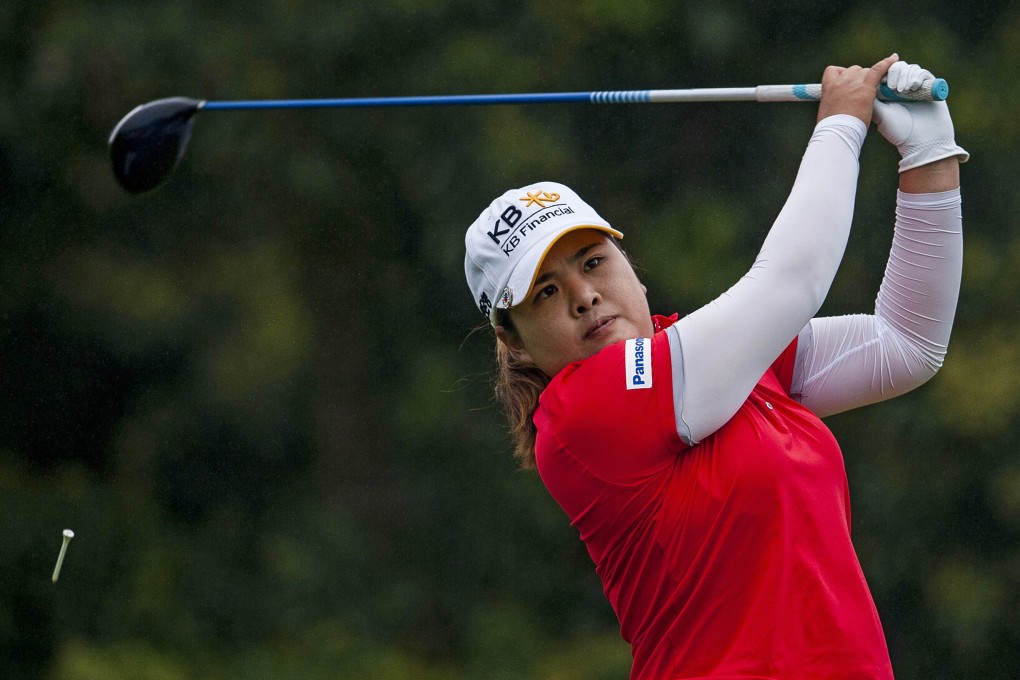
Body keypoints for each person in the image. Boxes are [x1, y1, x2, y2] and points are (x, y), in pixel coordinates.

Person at [463, 55, 967, 679]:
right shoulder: (581, 413)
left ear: (627, 264)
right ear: (513, 342)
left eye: (593, 262)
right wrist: (840, 125)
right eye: (546, 293)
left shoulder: (714, 359)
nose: (584, 296)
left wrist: (929, 156)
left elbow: (904, 345)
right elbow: (790, 283)